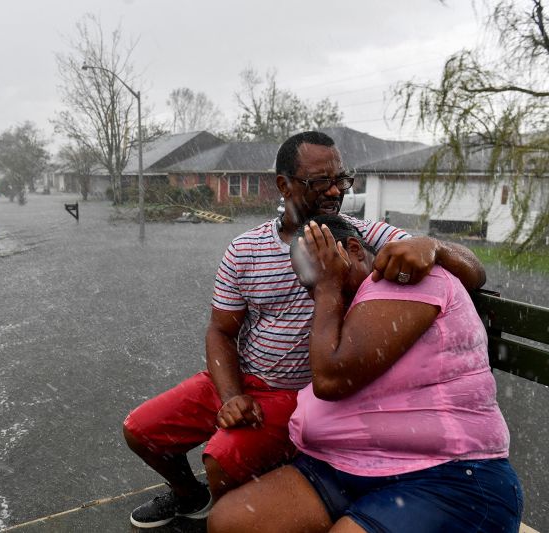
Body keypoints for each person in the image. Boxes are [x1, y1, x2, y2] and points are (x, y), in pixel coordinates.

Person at [122, 131, 487, 529]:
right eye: (320, 182)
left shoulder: (361, 235)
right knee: (142, 431)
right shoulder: (245, 249)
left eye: (341, 180)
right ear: (284, 185)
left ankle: (230, 503)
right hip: (239, 378)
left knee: (221, 458)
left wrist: (433, 246)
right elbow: (220, 332)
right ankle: (191, 498)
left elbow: (473, 271)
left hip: (295, 394)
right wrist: (230, 395)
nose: (335, 191)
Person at [206, 214, 522, 533]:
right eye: (310, 287)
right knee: (231, 521)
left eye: (325, 274)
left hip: (445, 474)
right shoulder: (351, 299)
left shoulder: (404, 277)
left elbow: (332, 379)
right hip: (337, 468)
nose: (319, 297)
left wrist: (329, 287)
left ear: (355, 250)